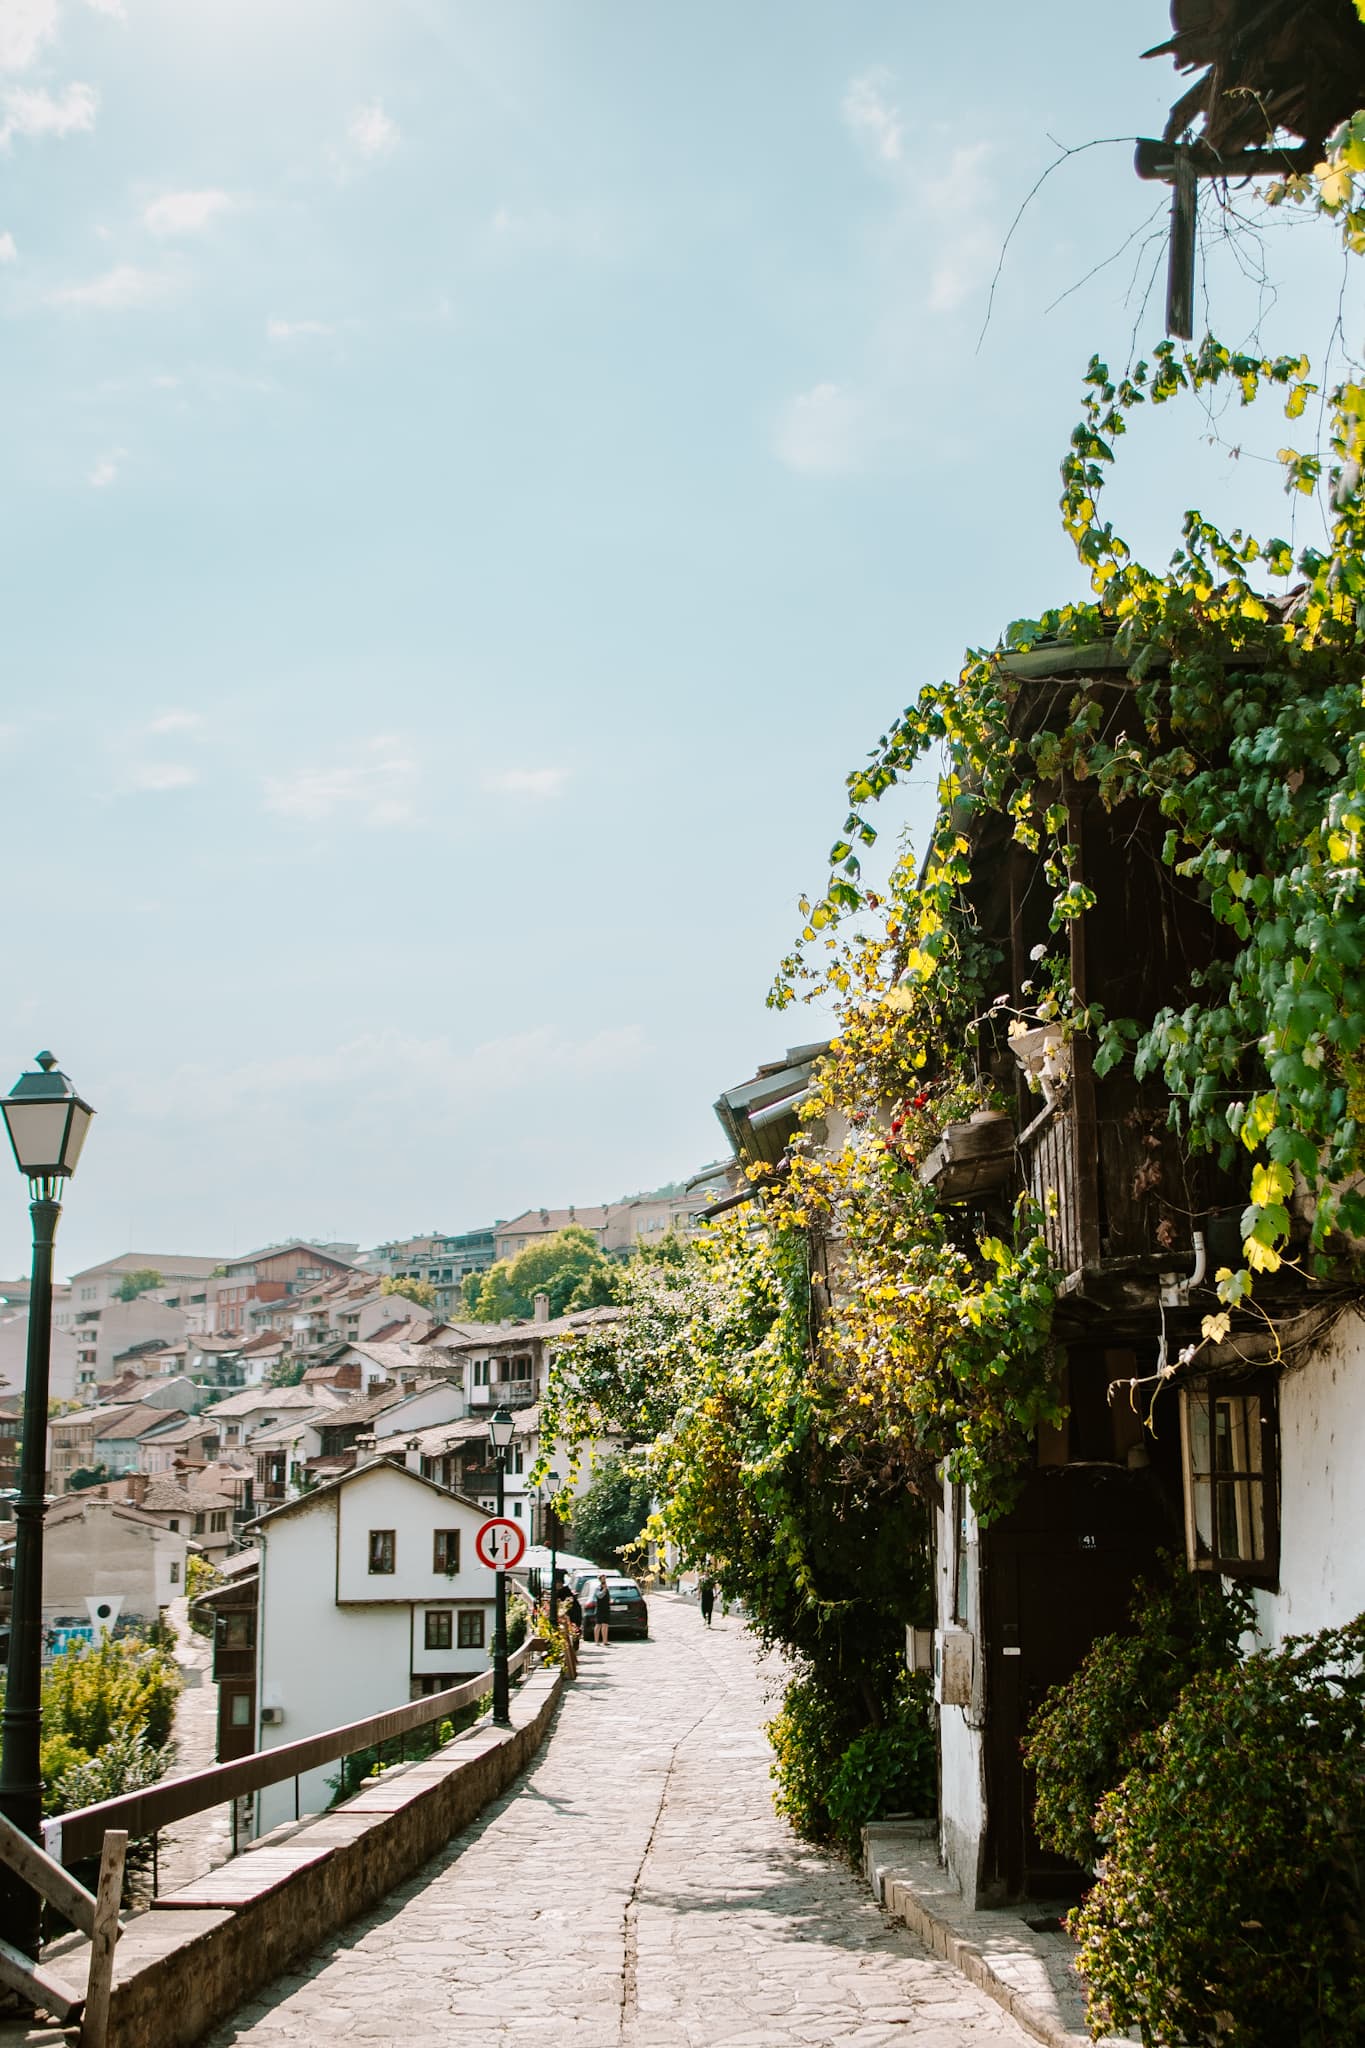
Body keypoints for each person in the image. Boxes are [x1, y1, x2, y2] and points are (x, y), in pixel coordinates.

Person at [592, 1574, 612, 1645]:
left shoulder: (607, 1588)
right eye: (603, 1579)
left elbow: (607, 1596)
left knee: (605, 1624)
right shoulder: (598, 1588)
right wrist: (604, 1589)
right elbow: (599, 1596)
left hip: (606, 1608)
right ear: (600, 1580)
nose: (604, 1580)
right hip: (600, 1608)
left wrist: (610, 1600)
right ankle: (596, 1642)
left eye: (605, 1579)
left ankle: (605, 1641)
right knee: (598, 1624)